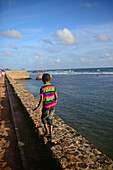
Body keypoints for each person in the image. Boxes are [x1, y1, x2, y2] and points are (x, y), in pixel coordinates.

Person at [33, 73, 58, 138]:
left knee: (43, 118)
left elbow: (41, 100)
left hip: (46, 106)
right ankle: (51, 133)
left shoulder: (42, 88)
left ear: (42, 80)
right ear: (49, 80)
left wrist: (37, 107)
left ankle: (46, 130)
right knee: (50, 118)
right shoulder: (53, 86)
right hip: (52, 105)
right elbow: (56, 96)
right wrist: (55, 101)